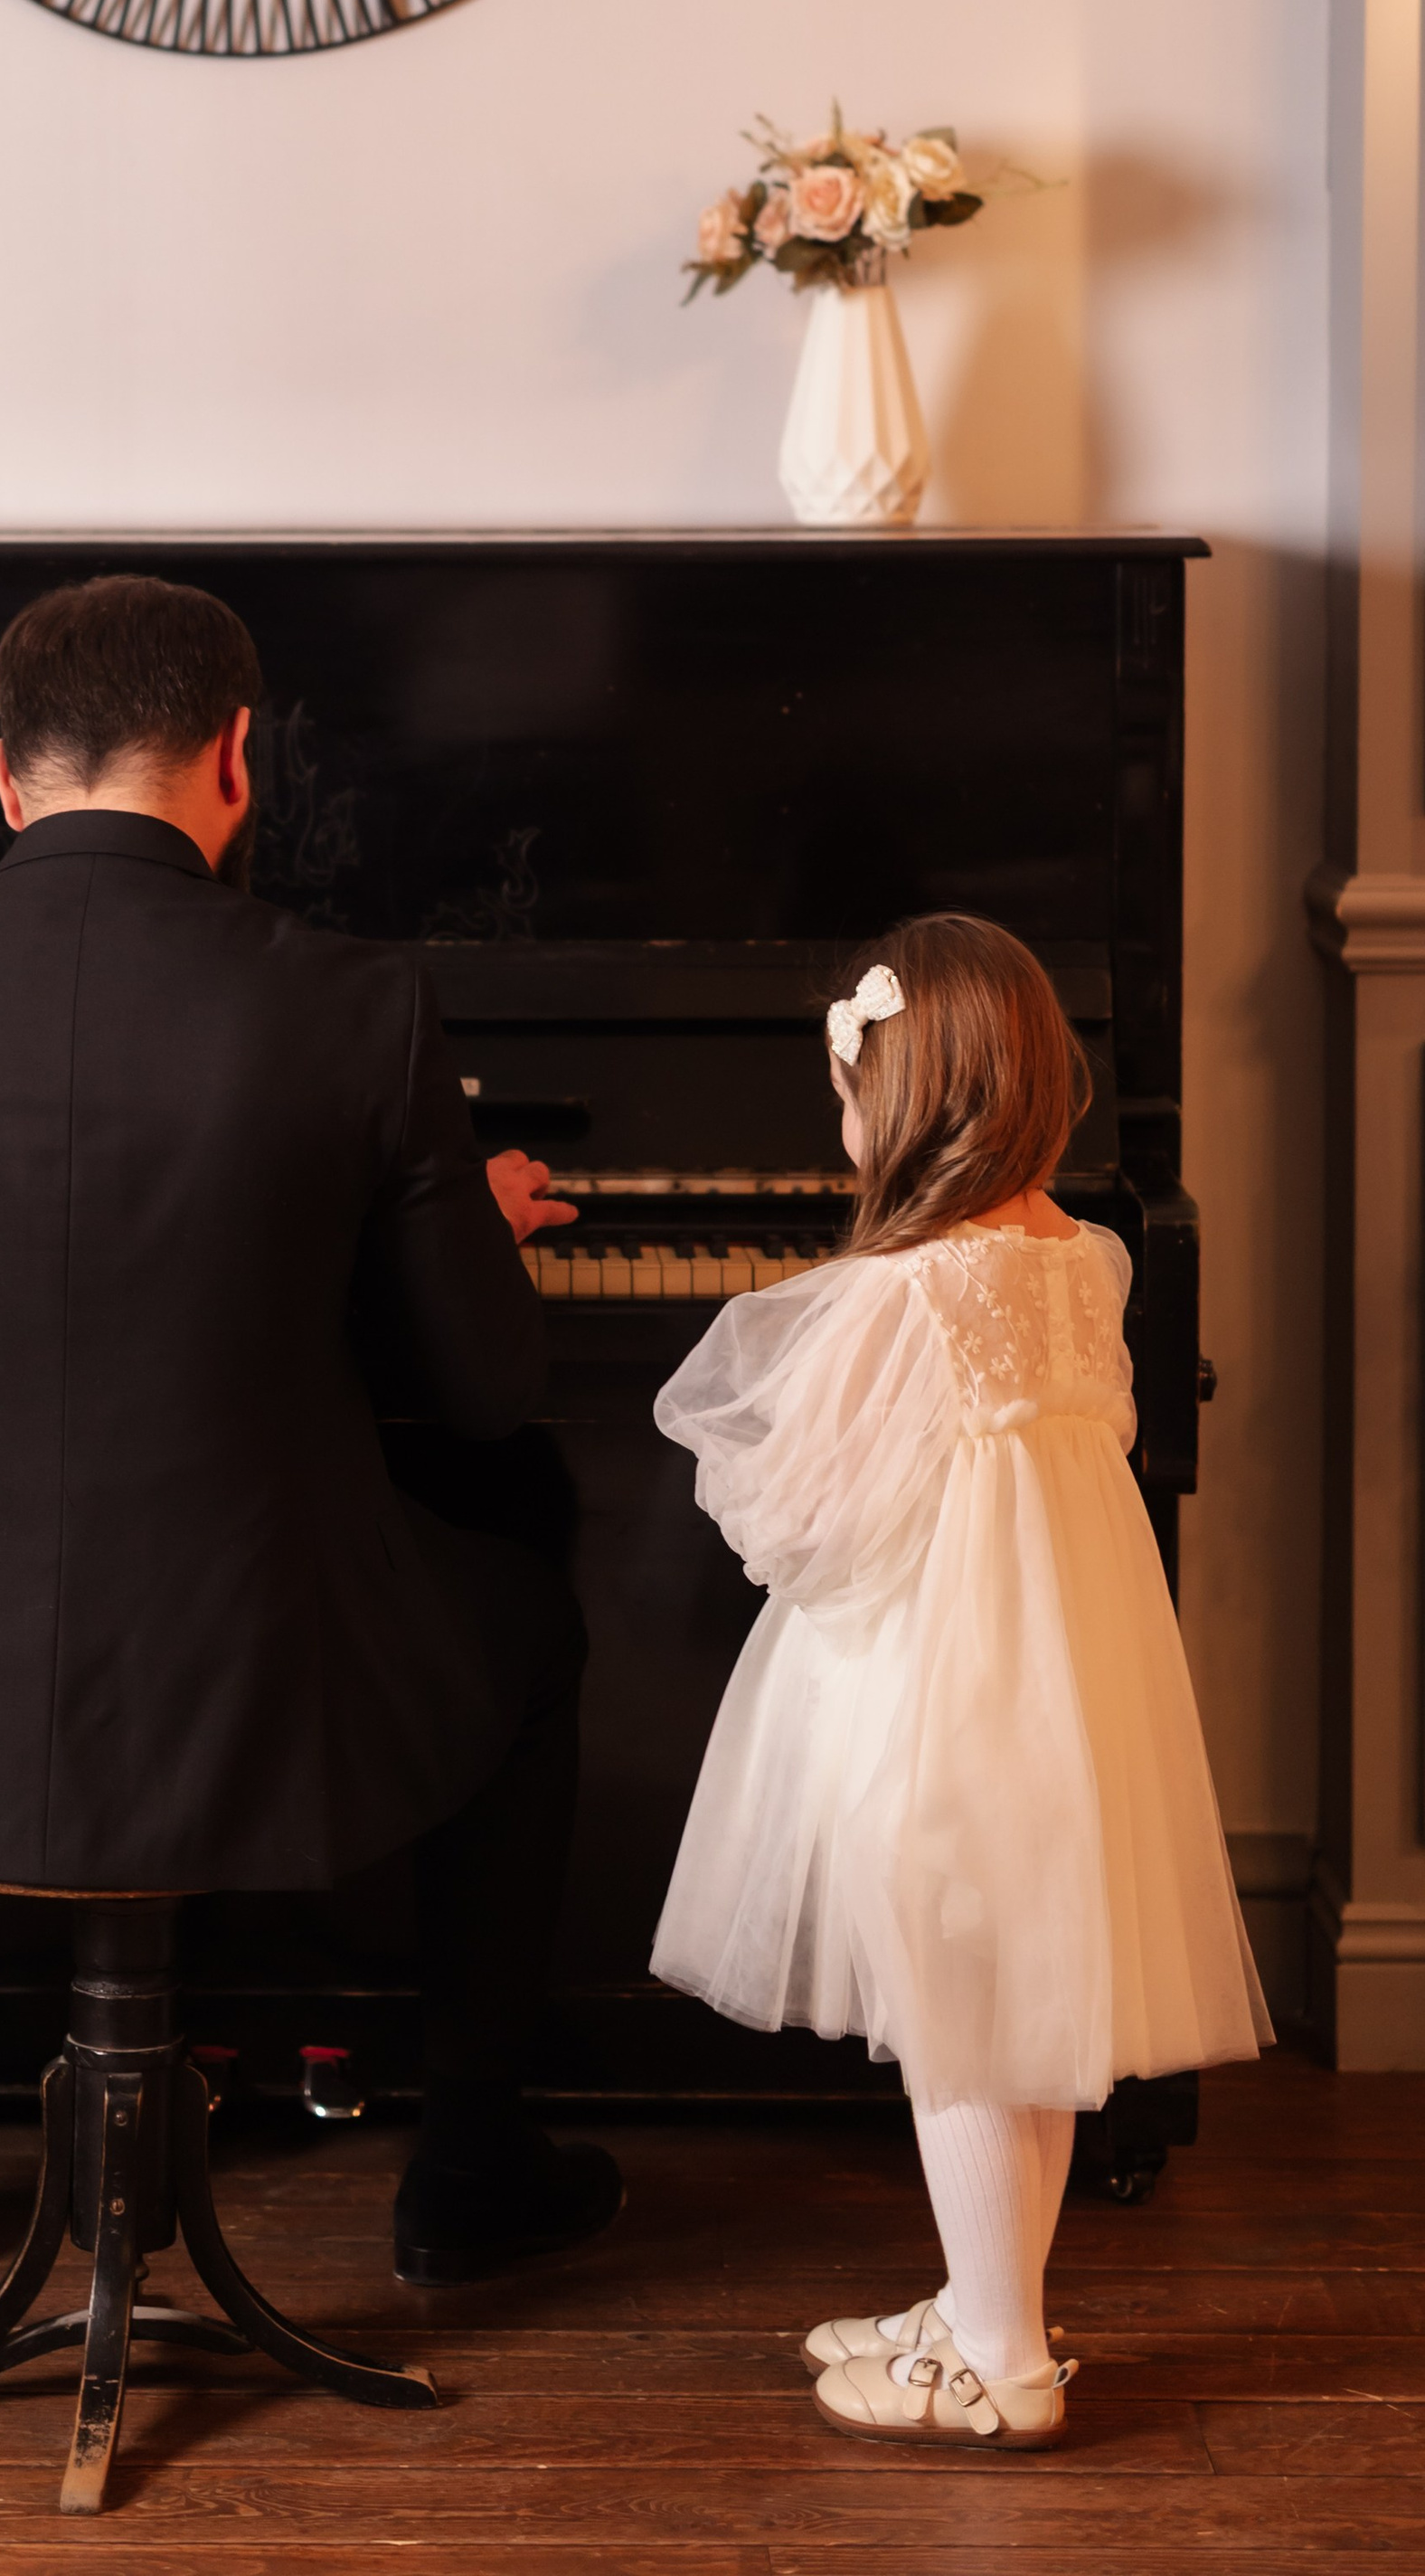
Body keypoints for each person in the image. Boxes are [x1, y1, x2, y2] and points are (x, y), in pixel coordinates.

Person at [0, 572, 623, 2295]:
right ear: (236, 758)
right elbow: (488, 1392)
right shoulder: (361, 1003)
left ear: (5, 777)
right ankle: (470, 2167)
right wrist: (456, 1227)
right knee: (530, 1624)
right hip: (265, 1668)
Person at [651, 914, 1269, 2451]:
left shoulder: (902, 1291)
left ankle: (1002, 2359)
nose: (840, 1120)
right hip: (1064, 1685)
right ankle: (986, 2296)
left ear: (905, 1099)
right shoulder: (1085, 1259)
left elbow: (793, 1512)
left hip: (932, 1693)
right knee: (1014, 1994)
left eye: (847, 1090)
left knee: (958, 2009)